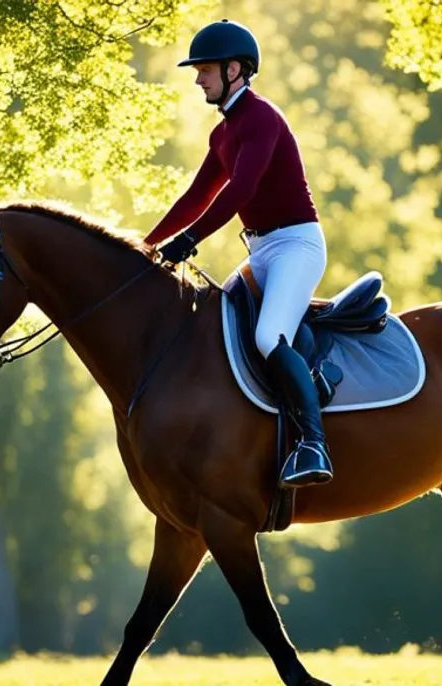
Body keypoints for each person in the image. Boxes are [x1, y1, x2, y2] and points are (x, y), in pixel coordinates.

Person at [142, 19, 332, 488]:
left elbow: (240, 189)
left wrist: (189, 240)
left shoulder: (262, 118)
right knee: (214, 325)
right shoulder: (222, 134)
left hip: (296, 245)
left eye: (204, 70)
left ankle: (313, 444)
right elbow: (195, 198)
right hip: (262, 250)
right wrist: (145, 245)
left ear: (235, 70)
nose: (197, 79)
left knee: (269, 336)